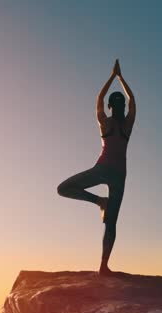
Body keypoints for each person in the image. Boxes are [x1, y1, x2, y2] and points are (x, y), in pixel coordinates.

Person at [57, 59, 135, 276]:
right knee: (111, 222)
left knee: (64, 189)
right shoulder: (127, 125)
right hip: (117, 174)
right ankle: (103, 265)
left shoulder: (105, 122)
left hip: (104, 170)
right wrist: (121, 78)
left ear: (111, 107)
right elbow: (133, 100)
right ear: (122, 108)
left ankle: (100, 203)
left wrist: (113, 77)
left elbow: (99, 99)